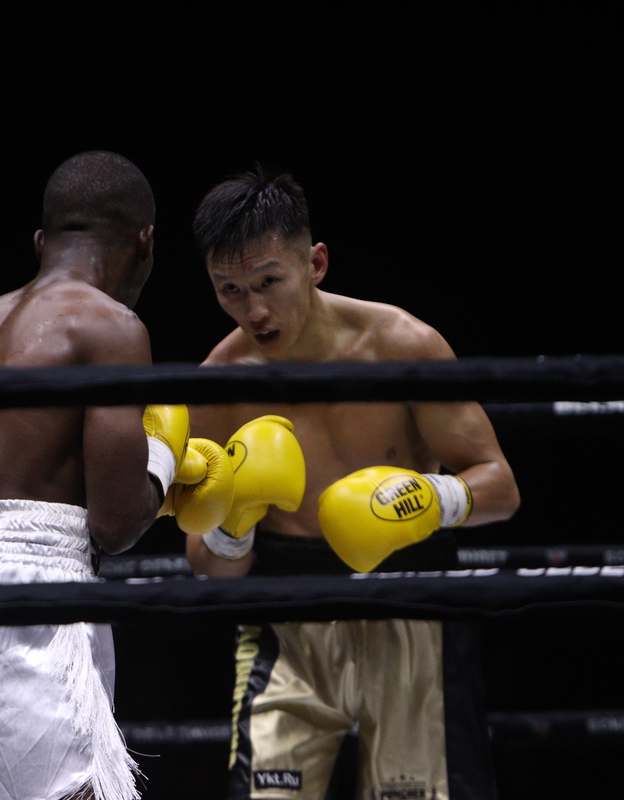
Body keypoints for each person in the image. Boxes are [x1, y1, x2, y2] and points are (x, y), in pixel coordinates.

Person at [183, 168, 521, 800]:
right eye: (229, 290)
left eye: (268, 282)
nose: (253, 310)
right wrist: (234, 525)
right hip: (287, 619)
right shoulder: (219, 385)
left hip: (411, 604)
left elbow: (500, 486)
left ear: (316, 262)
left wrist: (431, 499)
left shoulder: (401, 347)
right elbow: (206, 570)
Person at [0, 151, 190, 800]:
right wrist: (168, 457)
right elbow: (116, 523)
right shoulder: (111, 326)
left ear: (43, 241)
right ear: (145, 242)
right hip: (29, 601)